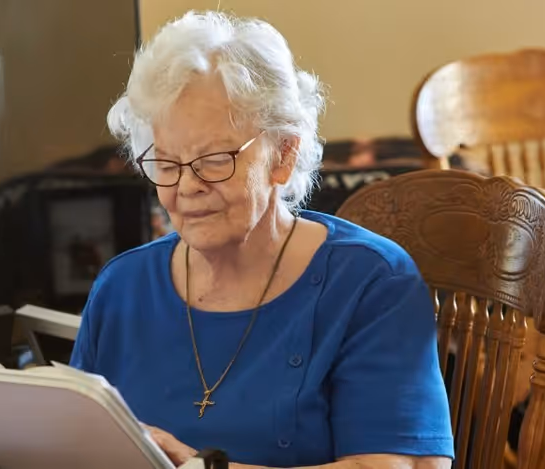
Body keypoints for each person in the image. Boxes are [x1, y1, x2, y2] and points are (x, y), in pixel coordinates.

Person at [70, 11, 453, 469]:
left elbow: (399, 467)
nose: (187, 187)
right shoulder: (121, 289)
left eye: (213, 160)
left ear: (283, 155)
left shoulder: (371, 284)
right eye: (166, 164)